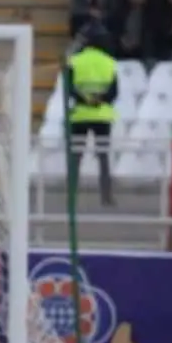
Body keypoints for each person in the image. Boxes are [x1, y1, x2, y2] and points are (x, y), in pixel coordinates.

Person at [67, 26, 118, 207]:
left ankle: (72, 195)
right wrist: (99, 99)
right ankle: (106, 196)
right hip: (102, 115)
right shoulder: (109, 62)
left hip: (80, 114)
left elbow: (69, 89)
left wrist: (85, 99)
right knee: (103, 156)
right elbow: (113, 93)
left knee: (76, 156)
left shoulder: (75, 61)